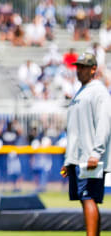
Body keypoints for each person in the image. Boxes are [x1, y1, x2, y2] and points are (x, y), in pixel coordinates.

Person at [61, 53, 111, 236]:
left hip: (90, 157)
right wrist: (69, 160)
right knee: (86, 199)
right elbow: (74, 130)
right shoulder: (81, 92)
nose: (79, 70)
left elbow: (104, 124)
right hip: (79, 157)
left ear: (93, 69)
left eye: (83, 66)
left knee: (88, 197)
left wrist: (96, 153)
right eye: (78, 66)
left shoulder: (99, 91)